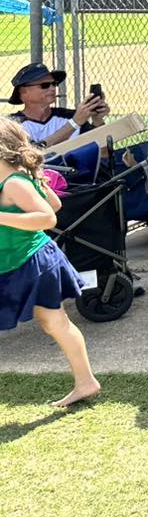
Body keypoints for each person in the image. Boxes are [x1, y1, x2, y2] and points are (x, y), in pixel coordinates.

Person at [0, 119, 100, 407]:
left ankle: (86, 382)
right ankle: (86, 382)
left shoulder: (15, 183)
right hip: (16, 261)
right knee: (53, 323)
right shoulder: (17, 177)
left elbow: (48, 218)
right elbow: (54, 203)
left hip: (32, 262)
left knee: (55, 323)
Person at [8, 62, 109, 148]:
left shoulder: (70, 116)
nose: (52, 88)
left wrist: (97, 121)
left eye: (54, 84)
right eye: (45, 85)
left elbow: (103, 154)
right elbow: (35, 154)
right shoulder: (13, 125)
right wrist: (74, 123)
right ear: (24, 92)